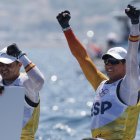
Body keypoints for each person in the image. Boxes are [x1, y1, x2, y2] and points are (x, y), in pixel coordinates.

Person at [56, 5, 140, 140]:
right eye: (107, 61)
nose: (109, 65)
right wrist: (66, 28)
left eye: (114, 61)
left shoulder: (130, 87)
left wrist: (135, 24)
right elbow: (82, 58)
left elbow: (133, 59)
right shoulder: (101, 83)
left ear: (125, 64)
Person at [0, 43, 45, 140]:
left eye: (8, 64)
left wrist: (21, 55)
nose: (3, 68)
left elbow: (40, 81)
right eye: (1, 64)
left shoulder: (27, 83)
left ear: (20, 64)